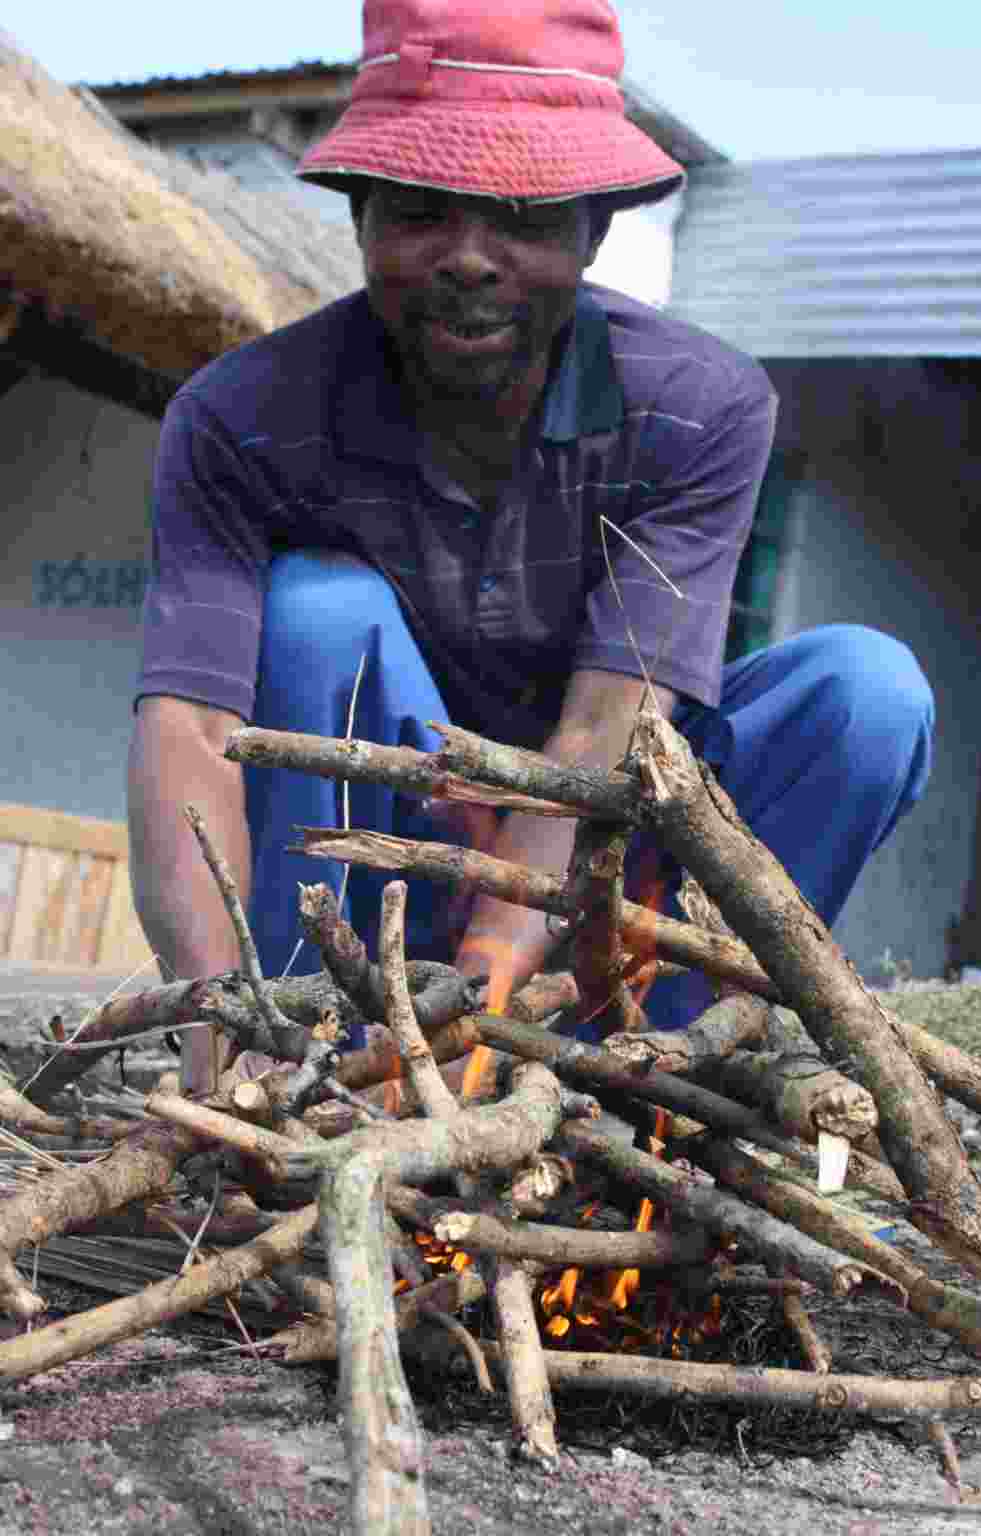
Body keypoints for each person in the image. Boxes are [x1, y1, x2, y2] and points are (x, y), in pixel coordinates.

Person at [126, 0, 935, 1097]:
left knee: (868, 691)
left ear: (594, 229)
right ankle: (296, 1045)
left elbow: (609, 727)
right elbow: (192, 726)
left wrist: (484, 1000)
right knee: (320, 612)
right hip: (369, 892)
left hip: (603, 884)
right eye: (419, 211)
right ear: (359, 216)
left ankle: (663, 1089)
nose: (469, 258)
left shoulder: (697, 410)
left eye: (522, 215)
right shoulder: (241, 419)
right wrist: (216, 1021)